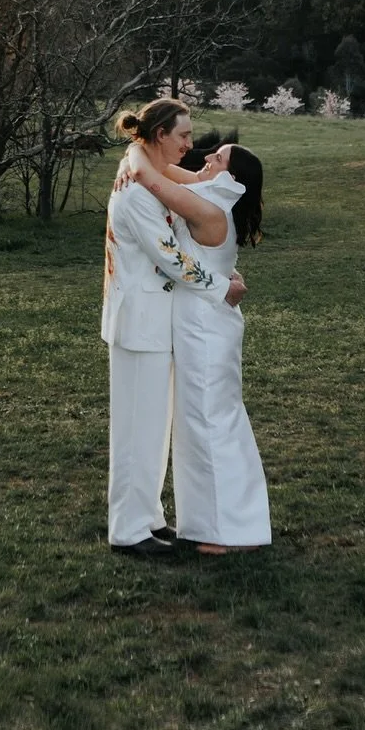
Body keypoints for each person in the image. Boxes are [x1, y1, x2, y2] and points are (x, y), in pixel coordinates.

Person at [103, 98, 246, 555]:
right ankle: (127, 530)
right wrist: (220, 288)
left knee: (153, 430)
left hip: (154, 323)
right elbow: (172, 259)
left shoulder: (150, 176)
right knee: (135, 433)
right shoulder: (136, 195)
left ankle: (147, 518)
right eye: (183, 135)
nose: (190, 143)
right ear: (161, 134)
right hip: (138, 324)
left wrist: (138, 159)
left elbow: (189, 184)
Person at [123, 137, 271, 554]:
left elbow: (150, 179)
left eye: (217, 157)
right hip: (206, 320)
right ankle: (230, 526)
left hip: (204, 326)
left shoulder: (207, 208)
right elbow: (168, 173)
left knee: (207, 422)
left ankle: (224, 533)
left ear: (232, 176)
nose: (206, 158)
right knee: (209, 421)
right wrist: (146, 146)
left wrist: (137, 144)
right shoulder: (212, 196)